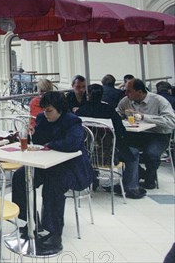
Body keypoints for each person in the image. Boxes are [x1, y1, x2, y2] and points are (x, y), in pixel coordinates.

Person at [12, 91, 93, 255]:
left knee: (53, 186)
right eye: (44, 110)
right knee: (21, 176)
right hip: (47, 165)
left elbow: (73, 143)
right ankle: (31, 221)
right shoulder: (42, 118)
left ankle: (54, 233)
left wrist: (50, 144)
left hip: (71, 167)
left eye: (49, 110)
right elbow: (40, 141)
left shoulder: (72, 121)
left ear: (59, 109)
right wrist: (32, 134)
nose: (45, 114)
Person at [76, 84, 146, 199]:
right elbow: (121, 132)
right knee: (133, 153)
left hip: (87, 153)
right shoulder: (109, 110)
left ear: (87, 95)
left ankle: (93, 180)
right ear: (102, 96)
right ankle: (131, 187)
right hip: (110, 154)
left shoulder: (80, 111)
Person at [117, 79, 175, 189]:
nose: (126, 93)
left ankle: (150, 179)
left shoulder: (159, 101)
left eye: (129, 91)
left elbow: (171, 121)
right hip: (137, 134)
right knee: (121, 148)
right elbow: (117, 113)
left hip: (158, 134)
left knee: (151, 153)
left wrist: (144, 117)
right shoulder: (126, 101)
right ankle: (139, 173)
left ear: (139, 92)